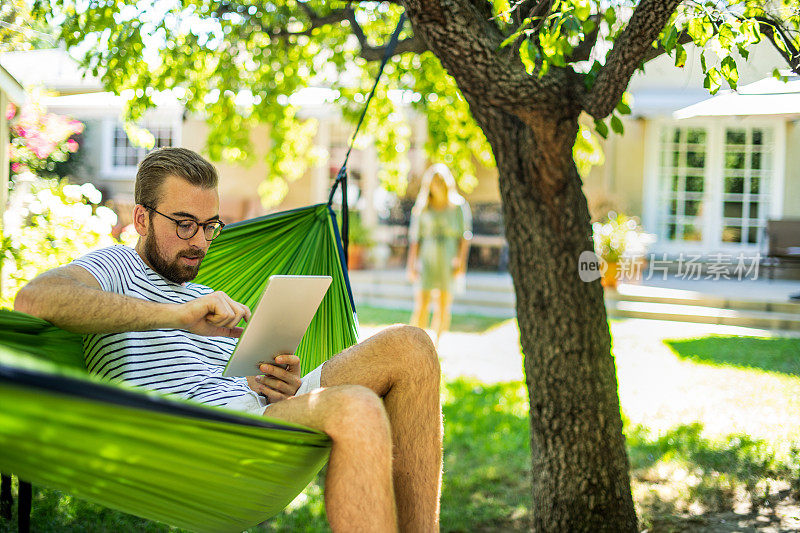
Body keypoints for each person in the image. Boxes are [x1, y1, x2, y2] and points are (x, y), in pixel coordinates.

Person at [13, 147, 442, 532]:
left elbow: (238, 386)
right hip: (198, 443)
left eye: (209, 226)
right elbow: (35, 298)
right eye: (184, 225)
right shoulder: (116, 268)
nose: (200, 242)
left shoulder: (208, 299)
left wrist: (278, 386)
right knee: (356, 406)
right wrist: (176, 317)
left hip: (257, 419)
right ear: (142, 218)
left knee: (411, 345)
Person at [406, 163, 472, 347]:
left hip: (448, 258)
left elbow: (464, 238)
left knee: (443, 304)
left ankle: (436, 345)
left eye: (441, 180)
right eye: (435, 181)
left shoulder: (458, 206)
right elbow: (415, 239)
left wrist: (461, 263)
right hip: (427, 258)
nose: (438, 184)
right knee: (422, 303)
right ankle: (415, 344)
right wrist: (411, 265)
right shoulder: (422, 208)